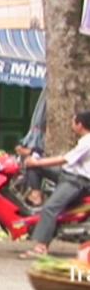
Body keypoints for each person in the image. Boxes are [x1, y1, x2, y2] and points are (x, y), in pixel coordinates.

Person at [20, 111, 90, 258]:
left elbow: (64, 159)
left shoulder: (88, 142)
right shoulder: (84, 139)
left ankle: (41, 248)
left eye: (73, 122)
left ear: (79, 125)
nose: (71, 125)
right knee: (33, 167)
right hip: (67, 174)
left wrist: (37, 161)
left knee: (50, 208)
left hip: (77, 181)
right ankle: (36, 194)